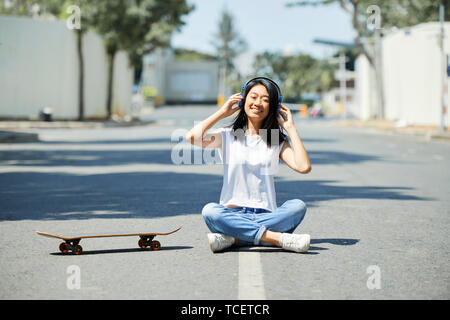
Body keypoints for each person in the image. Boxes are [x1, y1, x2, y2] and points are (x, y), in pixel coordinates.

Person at [185, 77, 312, 253]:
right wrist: (222, 112)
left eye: (265, 100)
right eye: (253, 97)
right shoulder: (228, 135)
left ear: (273, 107)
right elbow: (192, 138)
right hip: (231, 214)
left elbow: (303, 167)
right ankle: (276, 238)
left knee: (297, 206)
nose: (258, 103)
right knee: (211, 211)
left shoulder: (275, 140)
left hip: (267, 215)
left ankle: (235, 238)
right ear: (243, 100)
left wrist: (290, 128)